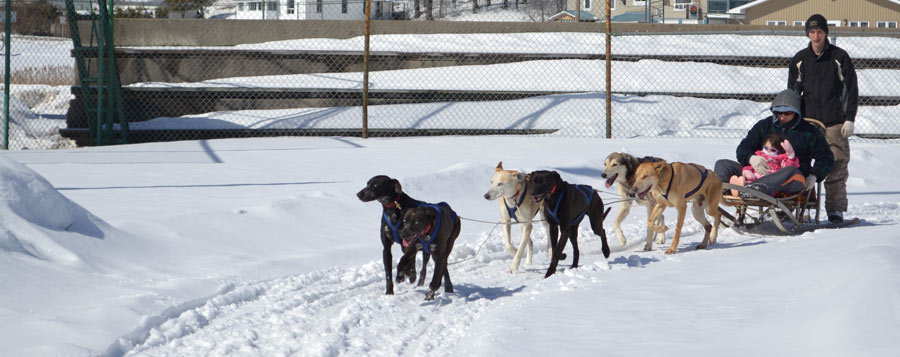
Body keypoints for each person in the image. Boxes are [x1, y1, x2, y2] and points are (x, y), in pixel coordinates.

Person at [788, 13, 858, 223]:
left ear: (826, 33)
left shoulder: (839, 57)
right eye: (812, 32)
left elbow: (851, 89)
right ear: (807, 34)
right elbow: (792, 92)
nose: (816, 36)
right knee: (801, 165)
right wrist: (793, 120)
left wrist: (849, 118)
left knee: (836, 165)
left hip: (834, 122)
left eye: (819, 31)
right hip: (808, 123)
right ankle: (802, 206)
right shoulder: (800, 60)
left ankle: (835, 210)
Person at [714, 89, 834, 199]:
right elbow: (743, 148)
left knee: (791, 171)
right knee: (723, 164)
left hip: (790, 177)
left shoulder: (809, 132)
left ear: (796, 112)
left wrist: (814, 175)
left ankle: (753, 190)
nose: (782, 116)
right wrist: (751, 158)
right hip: (758, 172)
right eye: (778, 112)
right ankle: (722, 189)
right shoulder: (764, 125)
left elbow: (826, 158)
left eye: (787, 113)